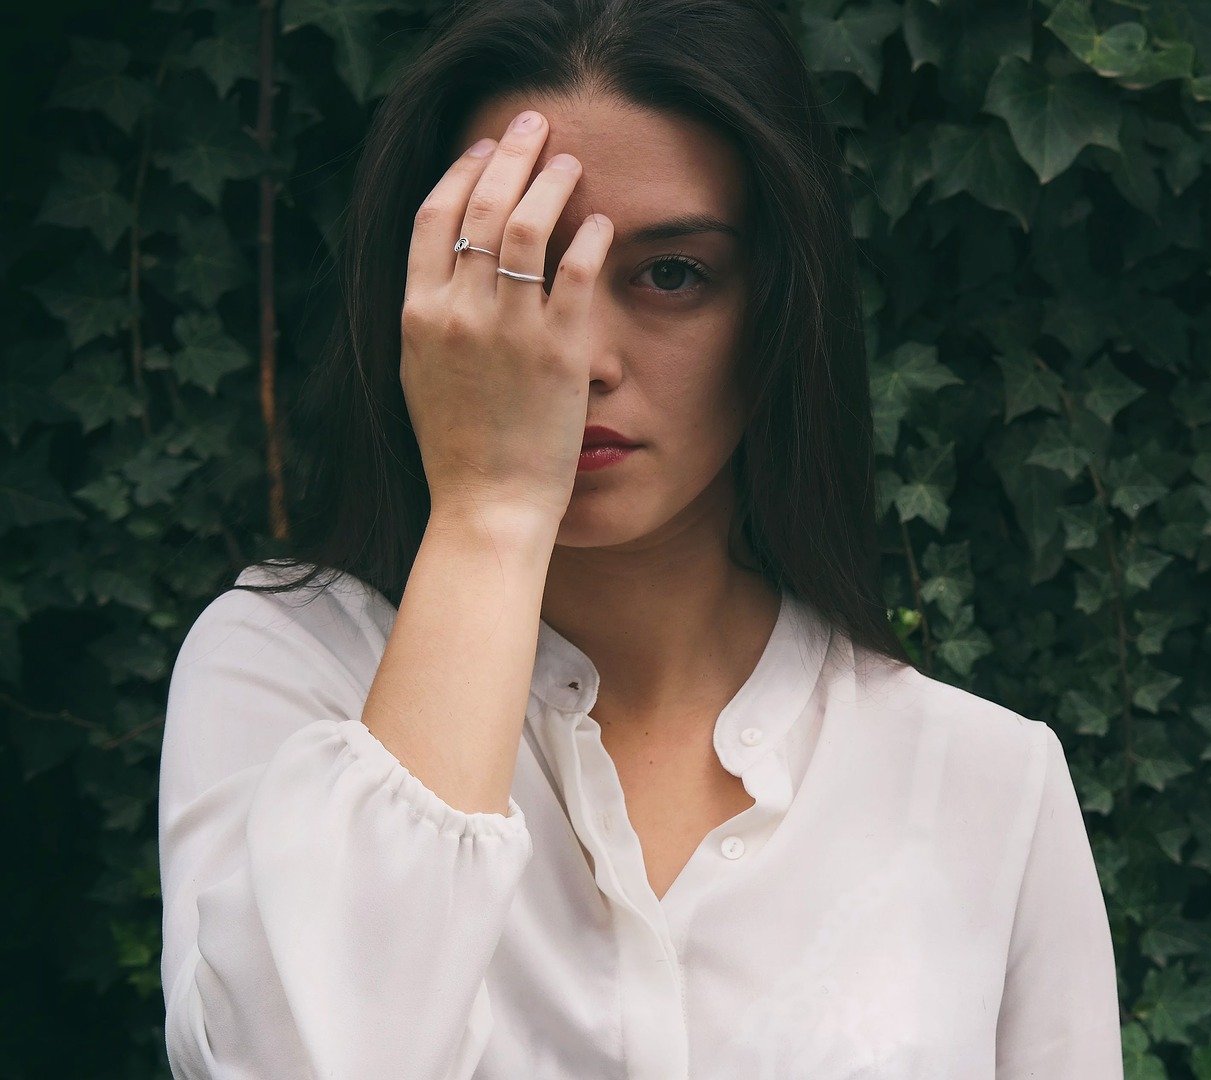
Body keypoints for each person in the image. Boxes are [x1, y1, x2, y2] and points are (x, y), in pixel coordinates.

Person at [154, 0, 1123, 1076]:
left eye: (671, 275)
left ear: (778, 308)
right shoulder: (290, 673)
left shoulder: (987, 784)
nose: (582, 358)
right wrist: (488, 514)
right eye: (515, 267)